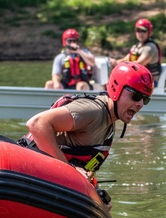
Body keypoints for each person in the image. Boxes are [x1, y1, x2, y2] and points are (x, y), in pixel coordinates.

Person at [24, 62, 154, 198]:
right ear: (117, 89)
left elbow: (83, 167)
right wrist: (71, 172)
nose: (140, 104)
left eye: (145, 99)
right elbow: (37, 123)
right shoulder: (93, 111)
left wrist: (96, 191)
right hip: (28, 174)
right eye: (136, 96)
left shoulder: (109, 124)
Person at [117, 18, 162, 86]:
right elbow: (124, 60)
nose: (140, 34)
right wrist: (114, 62)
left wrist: (121, 65)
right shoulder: (135, 47)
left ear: (149, 32)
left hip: (149, 81)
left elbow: (138, 64)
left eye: (143, 31)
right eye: (138, 30)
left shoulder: (150, 47)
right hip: (137, 78)